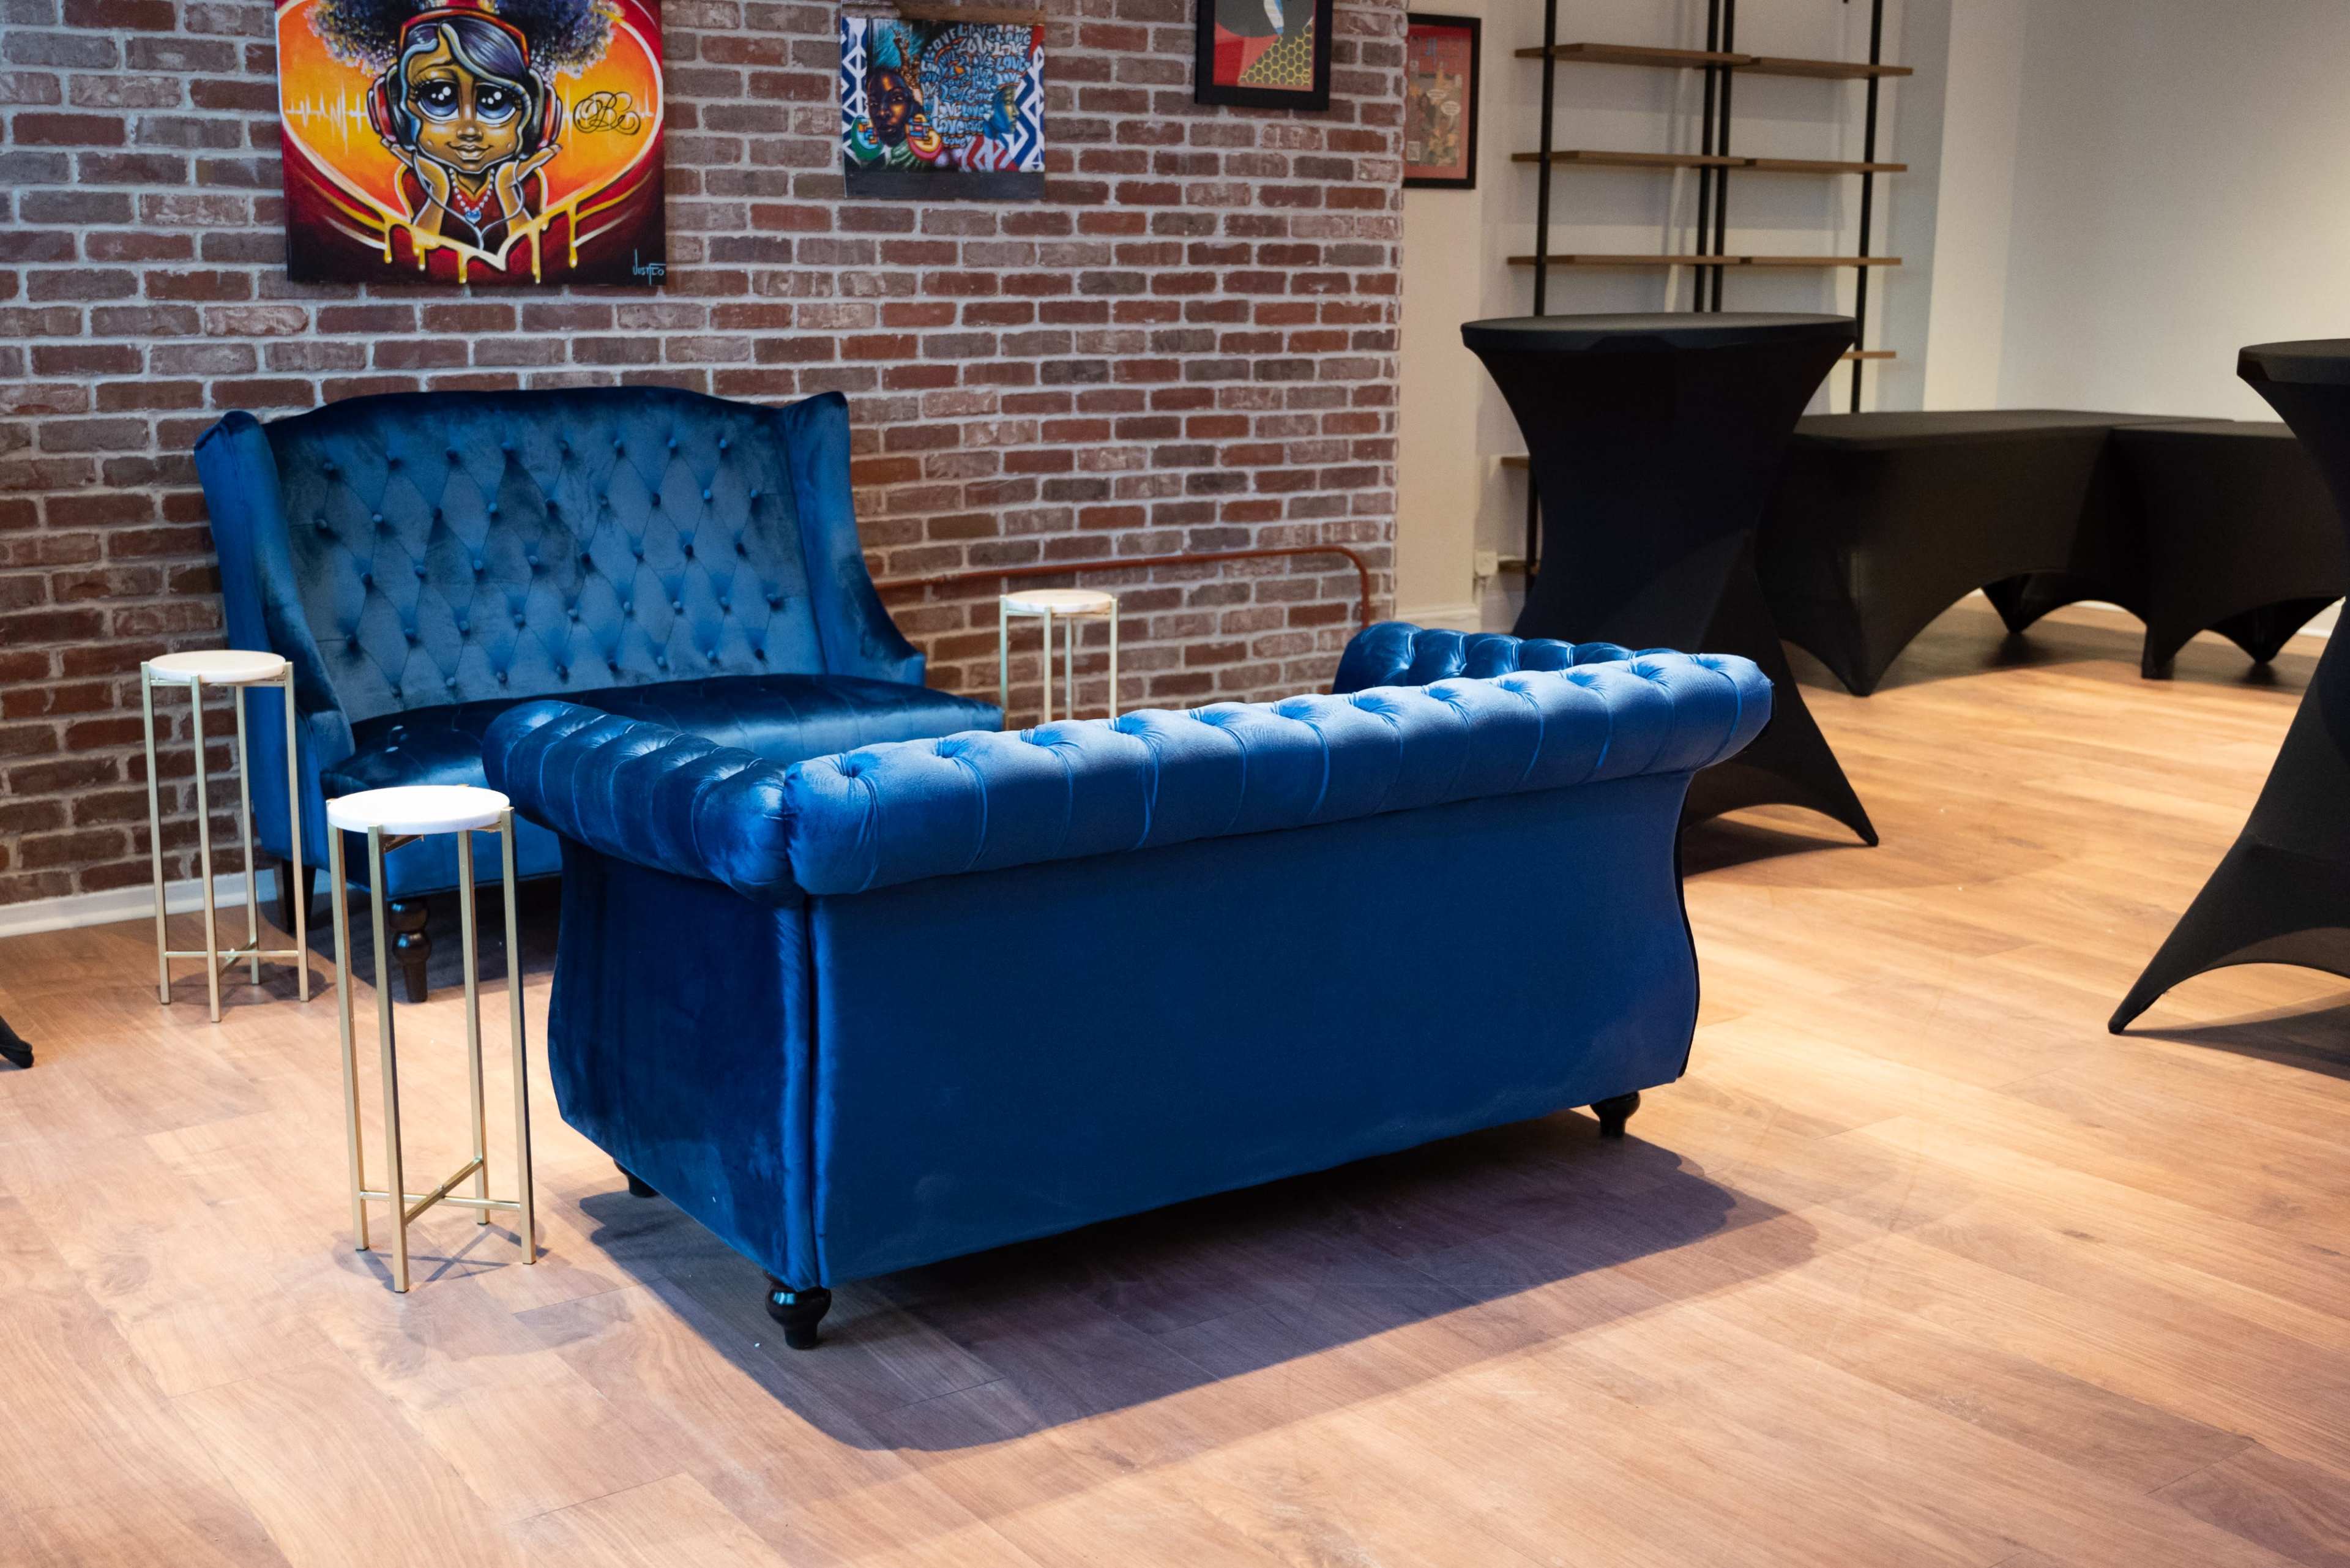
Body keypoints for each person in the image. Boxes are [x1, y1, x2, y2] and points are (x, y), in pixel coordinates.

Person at [370, 7, 560, 254]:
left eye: (494, 101)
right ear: (396, 111)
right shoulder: (419, 181)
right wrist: (439, 189)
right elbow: (419, 256)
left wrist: (507, 190)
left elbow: (530, 258)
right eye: (439, 97)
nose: (469, 130)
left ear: (534, 114)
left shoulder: (525, 184)